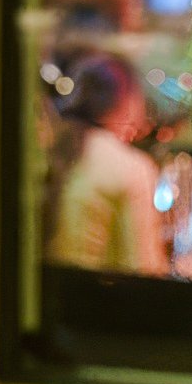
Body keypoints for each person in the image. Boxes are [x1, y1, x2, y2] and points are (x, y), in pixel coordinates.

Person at [44, 54, 167, 274]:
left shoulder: (47, 149)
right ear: (127, 101)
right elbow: (143, 268)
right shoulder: (131, 167)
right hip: (87, 292)